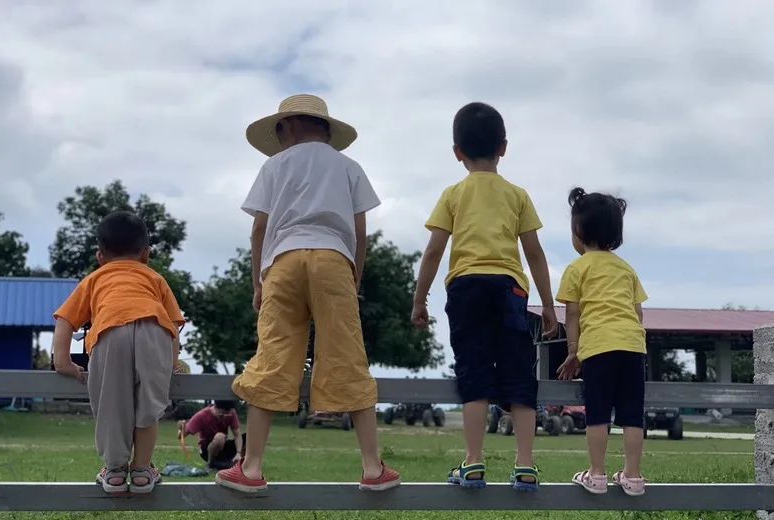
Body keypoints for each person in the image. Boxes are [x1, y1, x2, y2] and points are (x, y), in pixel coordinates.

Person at [215, 94, 400, 493]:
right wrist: (354, 279)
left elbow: (259, 229)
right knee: (347, 354)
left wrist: (258, 281)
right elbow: (360, 232)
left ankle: (251, 467)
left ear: (289, 126)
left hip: (282, 262)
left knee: (273, 354)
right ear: (326, 130)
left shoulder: (274, 165)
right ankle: (372, 467)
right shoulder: (348, 166)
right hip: (334, 260)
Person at [412, 102, 558, 491]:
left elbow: (434, 251)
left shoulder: (453, 194)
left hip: (466, 287)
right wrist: (547, 304)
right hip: (510, 288)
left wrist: (419, 298)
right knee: (519, 372)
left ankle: (474, 461)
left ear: (457, 152)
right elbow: (534, 253)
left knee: (474, 372)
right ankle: (525, 464)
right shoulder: (517, 195)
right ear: (503, 148)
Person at [53, 210, 185, 494]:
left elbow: (65, 319)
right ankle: (141, 471)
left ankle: (114, 471)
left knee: (112, 405)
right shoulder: (155, 279)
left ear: (100, 256)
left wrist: (63, 361)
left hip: (110, 330)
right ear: (146, 253)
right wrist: (171, 362)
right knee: (148, 407)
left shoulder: (95, 279)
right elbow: (173, 325)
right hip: (154, 330)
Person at [556, 187, 648, 496]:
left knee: (597, 412)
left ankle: (597, 474)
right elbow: (638, 313)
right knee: (633, 414)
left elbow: (572, 314)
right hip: (633, 346)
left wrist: (573, 351)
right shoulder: (626, 269)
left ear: (578, 231)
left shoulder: (577, 268)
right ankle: (633, 476)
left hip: (598, 347)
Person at [178, 400, 245, 469]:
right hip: (206, 450)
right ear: (215, 407)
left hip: (223, 447)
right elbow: (180, 436)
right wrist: (181, 429)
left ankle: (240, 460)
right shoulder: (201, 416)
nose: (224, 416)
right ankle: (211, 464)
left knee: (247, 437)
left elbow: (237, 435)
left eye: (227, 414)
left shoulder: (231, 412)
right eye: (221, 414)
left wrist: (238, 453)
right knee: (220, 437)